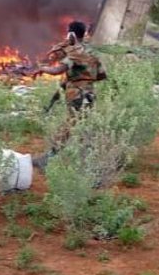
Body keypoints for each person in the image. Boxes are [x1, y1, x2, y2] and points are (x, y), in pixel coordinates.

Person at [33, 21, 107, 169]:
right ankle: (89, 160)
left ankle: (50, 159)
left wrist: (42, 68)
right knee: (82, 124)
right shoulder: (92, 53)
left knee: (70, 126)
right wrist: (84, 77)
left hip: (76, 95)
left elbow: (57, 70)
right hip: (90, 93)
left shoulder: (75, 52)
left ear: (71, 34)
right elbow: (101, 75)